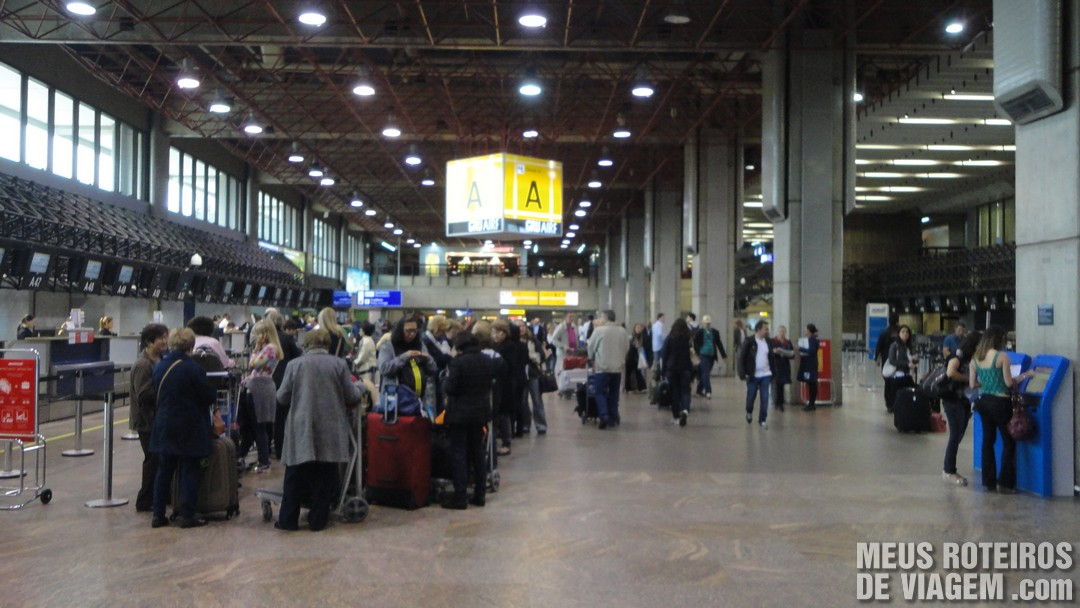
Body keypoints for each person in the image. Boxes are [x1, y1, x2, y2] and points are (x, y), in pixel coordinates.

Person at [275, 329, 374, 531]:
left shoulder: (295, 365)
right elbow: (352, 396)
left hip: (301, 425)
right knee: (325, 473)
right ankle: (318, 520)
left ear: (306, 344)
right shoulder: (339, 364)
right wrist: (363, 388)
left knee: (294, 473)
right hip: (330, 425)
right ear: (328, 344)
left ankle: (287, 520)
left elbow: (282, 397)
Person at [149, 328, 217, 529]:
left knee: (164, 471)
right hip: (189, 426)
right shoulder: (193, 368)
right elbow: (207, 396)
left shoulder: (160, 366)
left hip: (164, 424)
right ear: (190, 346)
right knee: (189, 469)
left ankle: (158, 515)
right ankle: (188, 514)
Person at [969, 326, 1036, 494]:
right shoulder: (1002, 357)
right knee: (1008, 441)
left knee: (987, 441)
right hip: (1000, 403)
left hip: (983, 402)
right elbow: (1007, 383)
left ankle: (988, 482)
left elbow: (972, 384)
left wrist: (987, 383)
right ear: (998, 340)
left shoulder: (975, 359)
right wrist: (1023, 376)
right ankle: (1005, 483)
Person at [441, 331, 498, 510]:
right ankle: (479, 495)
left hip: (459, 415)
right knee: (478, 453)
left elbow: (450, 388)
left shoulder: (458, 362)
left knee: (459, 454)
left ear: (459, 346)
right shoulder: (487, 360)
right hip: (480, 413)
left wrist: (445, 379)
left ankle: (460, 497)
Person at [129, 322, 169, 512]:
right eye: (161, 338)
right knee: (152, 459)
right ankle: (145, 499)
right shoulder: (143, 365)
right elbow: (144, 396)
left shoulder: (160, 359)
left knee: (158, 459)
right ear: (149, 341)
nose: (164, 341)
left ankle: (158, 495)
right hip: (147, 421)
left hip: (158, 419)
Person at [239, 320, 282, 474]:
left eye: (257, 334)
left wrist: (256, 350)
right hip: (255, 387)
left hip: (260, 389)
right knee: (251, 427)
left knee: (259, 427)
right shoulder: (267, 348)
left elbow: (254, 364)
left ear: (264, 334)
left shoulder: (271, 348)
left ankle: (264, 461)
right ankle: (241, 456)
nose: (255, 337)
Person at [941, 331, 982, 486]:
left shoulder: (972, 359)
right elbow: (950, 372)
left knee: (958, 435)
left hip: (964, 400)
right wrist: (969, 380)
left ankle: (949, 468)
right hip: (953, 399)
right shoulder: (957, 357)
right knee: (955, 434)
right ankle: (949, 470)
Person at [265, 308, 303, 460]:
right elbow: (298, 356)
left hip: (267, 381)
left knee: (268, 418)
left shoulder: (266, 339)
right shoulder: (287, 339)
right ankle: (282, 450)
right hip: (284, 380)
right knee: (283, 418)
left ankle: (267, 449)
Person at [377, 317, 438, 408]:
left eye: (414, 331)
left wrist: (427, 358)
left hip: (420, 401)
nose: (412, 334)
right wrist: (404, 357)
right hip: (396, 401)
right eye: (408, 331)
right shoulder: (388, 346)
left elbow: (434, 369)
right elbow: (384, 369)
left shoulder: (420, 344)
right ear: (401, 330)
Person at [587, 310, 630, 429]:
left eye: (601, 317)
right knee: (614, 394)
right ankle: (613, 417)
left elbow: (591, 346)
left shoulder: (599, 330)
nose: (600, 319)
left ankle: (604, 415)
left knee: (599, 392)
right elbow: (626, 347)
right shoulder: (622, 331)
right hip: (617, 368)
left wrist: (591, 358)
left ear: (605, 318)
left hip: (602, 368)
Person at [491, 320, 526, 452]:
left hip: (506, 384)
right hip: (503, 383)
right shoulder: (498, 346)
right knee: (503, 413)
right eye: (493, 332)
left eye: (498, 332)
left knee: (504, 413)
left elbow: (509, 366)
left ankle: (506, 442)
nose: (495, 335)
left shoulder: (508, 347)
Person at [738, 320, 778, 429]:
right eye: (765, 329)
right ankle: (749, 411)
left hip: (766, 374)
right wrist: (742, 373)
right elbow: (742, 358)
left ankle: (762, 420)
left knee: (765, 398)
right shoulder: (749, 341)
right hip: (753, 375)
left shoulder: (768, 342)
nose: (767, 331)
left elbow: (771, 358)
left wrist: (774, 372)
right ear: (759, 329)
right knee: (751, 396)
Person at [514, 318, 548, 435]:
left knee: (537, 400)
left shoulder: (532, 340)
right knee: (523, 402)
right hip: (520, 375)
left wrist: (534, 356)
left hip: (533, 374)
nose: (521, 329)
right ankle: (525, 424)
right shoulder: (513, 341)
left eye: (522, 326)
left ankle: (541, 425)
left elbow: (542, 356)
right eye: (518, 327)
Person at [662, 318, 693, 427]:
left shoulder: (670, 338)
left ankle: (676, 417)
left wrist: (663, 371)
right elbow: (691, 355)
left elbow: (664, 354)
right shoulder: (687, 339)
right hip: (685, 369)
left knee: (675, 392)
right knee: (685, 391)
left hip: (672, 369)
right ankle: (685, 410)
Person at [884, 325, 918, 413]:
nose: (905, 334)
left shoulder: (909, 347)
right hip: (896, 376)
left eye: (907, 332)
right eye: (903, 332)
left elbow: (912, 360)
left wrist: (914, 359)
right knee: (896, 397)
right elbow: (892, 360)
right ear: (898, 334)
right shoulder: (894, 346)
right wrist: (907, 364)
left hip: (907, 375)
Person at [692, 315, 727, 399]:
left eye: (708, 323)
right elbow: (695, 343)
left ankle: (699, 390)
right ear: (702, 323)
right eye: (705, 323)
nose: (707, 325)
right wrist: (697, 354)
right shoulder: (699, 332)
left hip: (711, 356)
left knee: (704, 374)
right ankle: (708, 391)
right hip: (703, 355)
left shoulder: (715, 332)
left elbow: (719, 344)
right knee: (705, 373)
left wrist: (724, 356)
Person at [769, 325, 795, 411]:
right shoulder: (773, 341)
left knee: (782, 385)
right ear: (777, 332)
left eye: (783, 331)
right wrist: (775, 352)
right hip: (776, 365)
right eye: (780, 331)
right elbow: (770, 353)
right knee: (776, 384)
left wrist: (786, 353)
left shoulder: (787, 342)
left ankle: (781, 403)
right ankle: (776, 402)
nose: (782, 333)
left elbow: (792, 354)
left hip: (784, 366)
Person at [798, 324, 821, 412]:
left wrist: (801, 349)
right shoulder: (809, 340)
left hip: (810, 365)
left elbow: (811, 351)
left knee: (812, 384)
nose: (805, 332)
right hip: (808, 365)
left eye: (806, 330)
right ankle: (811, 403)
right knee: (810, 384)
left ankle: (811, 403)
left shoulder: (813, 340)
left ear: (809, 331)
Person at [624, 324, 648, 393]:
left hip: (638, 358)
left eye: (640, 328)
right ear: (634, 328)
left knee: (638, 373)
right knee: (628, 373)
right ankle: (628, 388)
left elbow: (644, 347)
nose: (638, 329)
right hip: (630, 357)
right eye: (637, 328)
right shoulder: (631, 337)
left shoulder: (643, 337)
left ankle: (641, 387)